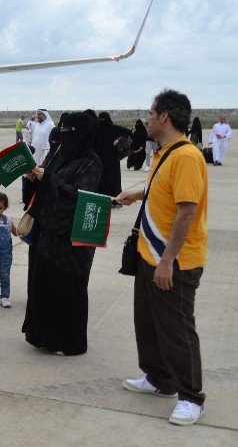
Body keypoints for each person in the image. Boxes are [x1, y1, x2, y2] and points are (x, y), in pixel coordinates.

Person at [116, 89, 208, 426]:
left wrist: (168, 260)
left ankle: (191, 397)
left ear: (165, 117)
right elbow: (161, 187)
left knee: (177, 329)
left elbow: (187, 210)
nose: (147, 119)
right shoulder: (166, 152)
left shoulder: (186, 156)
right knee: (148, 322)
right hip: (148, 253)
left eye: (151, 113)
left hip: (175, 260)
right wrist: (135, 193)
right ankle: (159, 380)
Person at [22, 111, 102, 356]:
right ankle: (43, 335)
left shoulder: (90, 162)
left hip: (70, 238)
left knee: (66, 288)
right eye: (63, 131)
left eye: (70, 132)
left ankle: (66, 341)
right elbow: (48, 178)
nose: (64, 136)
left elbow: (81, 197)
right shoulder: (59, 153)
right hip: (48, 230)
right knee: (43, 283)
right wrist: (35, 176)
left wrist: (48, 178)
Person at [95, 111, 131, 200]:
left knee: (112, 179)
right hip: (100, 159)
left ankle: (115, 198)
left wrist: (119, 139)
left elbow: (128, 132)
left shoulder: (114, 128)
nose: (102, 121)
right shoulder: (96, 129)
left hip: (112, 159)